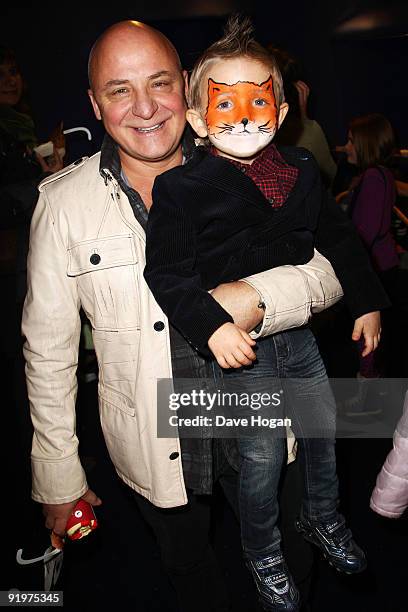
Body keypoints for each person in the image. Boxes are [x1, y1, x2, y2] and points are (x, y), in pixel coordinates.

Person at [22, 20, 388, 612]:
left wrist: (255, 300)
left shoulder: (259, 164)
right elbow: (48, 351)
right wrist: (59, 476)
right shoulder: (62, 205)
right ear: (93, 103)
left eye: (160, 83)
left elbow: (326, 271)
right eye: (119, 90)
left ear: (187, 86)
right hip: (156, 429)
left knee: (294, 560)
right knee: (190, 569)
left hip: (266, 400)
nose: (144, 107)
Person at [143, 17, 388, 611]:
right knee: (259, 456)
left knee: (324, 431)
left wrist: (368, 300)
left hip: (298, 338)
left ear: (279, 114)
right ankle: (262, 550)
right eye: (226, 102)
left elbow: (341, 240)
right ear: (200, 120)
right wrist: (213, 325)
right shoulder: (180, 190)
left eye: (259, 99)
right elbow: (167, 274)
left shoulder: (301, 172)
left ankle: (322, 518)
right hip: (240, 352)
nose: (245, 113)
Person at [340, 114, 408, 382]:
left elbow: (366, 232)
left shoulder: (372, 177)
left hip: (375, 269)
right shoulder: (381, 175)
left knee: (367, 336)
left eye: (350, 142)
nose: (345, 147)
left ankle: (367, 393)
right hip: (384, 266)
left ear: (365, 144)